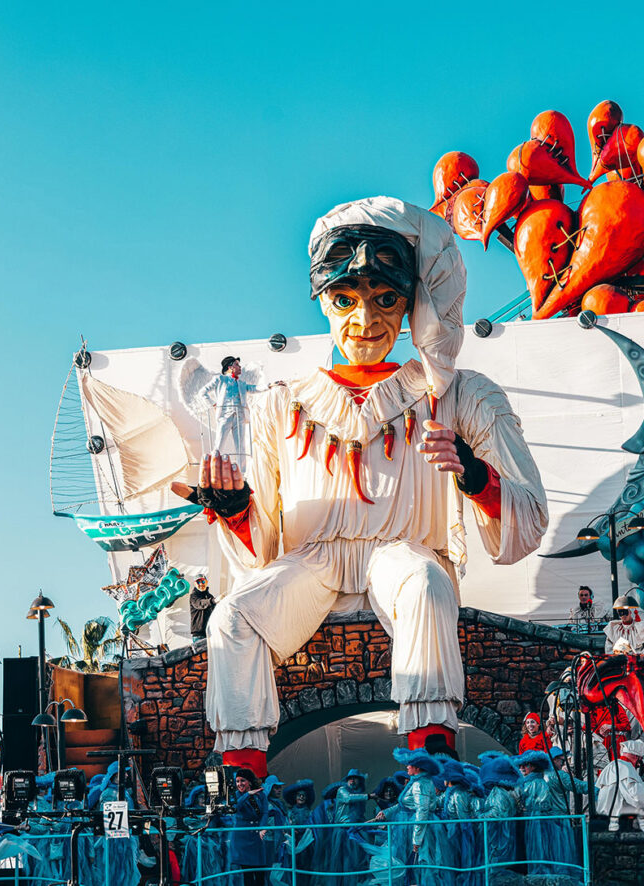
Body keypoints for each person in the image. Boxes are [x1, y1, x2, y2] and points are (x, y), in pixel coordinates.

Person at [173, 197, 548, 778]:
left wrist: (476, 477)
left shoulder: (458, 393)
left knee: (425, 583)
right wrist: (235, 510)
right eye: (346, 299)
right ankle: (240, 783)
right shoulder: (282, 402)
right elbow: (266, 550)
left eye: (385, 299)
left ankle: (432, 770)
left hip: (403, 555)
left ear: (411, 306)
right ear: (323, 300)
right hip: (313, 561)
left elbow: (527, 520)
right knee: (231, 618)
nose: (366, 321)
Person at [377, 747, 453, 886]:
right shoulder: (418, 781)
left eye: (409, 764)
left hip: (420, 828)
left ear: (417, 768)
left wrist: (416, 840)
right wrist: (387, 812)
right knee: (418, 863)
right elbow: (405, 804)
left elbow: (422, 812)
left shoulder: (420, 784)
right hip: (414, 826)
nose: (407, 767)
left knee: (422, 862)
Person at [513, 750, 568, 876]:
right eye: (520, 765)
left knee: (538, 847)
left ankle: (539, 873)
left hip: (537, 821)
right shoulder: (525, 782)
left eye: (525, 765)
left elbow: (545, 803)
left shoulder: (539, 782)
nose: (522, 768)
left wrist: (528, 808)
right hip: (529, 820)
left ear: (533, 766)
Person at [198, 356, 258, 470]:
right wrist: (214, 404)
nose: (240, 367)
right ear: (230, 367)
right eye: (237, 365)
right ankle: (213, 469)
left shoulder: (241, 383)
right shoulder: (220, 379)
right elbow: (203, 392)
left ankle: (242, 472)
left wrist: (270, 385)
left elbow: (254, 388)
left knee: (241, 446)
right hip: (225, 416)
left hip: (239, 416)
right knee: (219, 444)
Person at [596, 739, 644, 833]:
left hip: (608, 817)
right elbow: (635, 795)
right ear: (635, 756)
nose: (640, 763)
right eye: (640, 758)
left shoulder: (614, 765)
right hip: (616, 823)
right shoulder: (625, 768)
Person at [478, 755, 519, 869]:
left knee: (496, 863)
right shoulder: (504, 792)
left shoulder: (498, 793)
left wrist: (480, 817)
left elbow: (498, 813)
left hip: (499, 834)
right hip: (505, 832)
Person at [232, 768, 270, 885]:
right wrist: (248, 794)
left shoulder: (261, 795)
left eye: (242, 781)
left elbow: (265, 812)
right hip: (243, 838)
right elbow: (235, 807)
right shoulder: (236, 795)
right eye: (237, 781)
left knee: (260, 873)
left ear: (250, 782)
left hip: (257, 837)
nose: (239, 784)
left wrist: (263, 828)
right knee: (247, 875)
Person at [190, 574, 216, 642]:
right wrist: (213, 601)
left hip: (210, 633)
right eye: (198, 582)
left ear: (206, 582)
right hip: (198, 634)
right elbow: (200, 603)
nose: (201, 584)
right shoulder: (193, 596)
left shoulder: (210, 596)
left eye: (203, 582)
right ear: (195, 584)